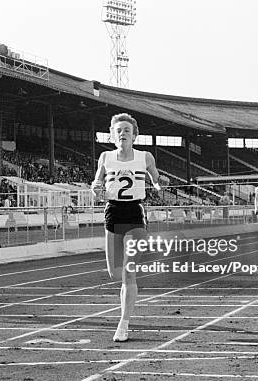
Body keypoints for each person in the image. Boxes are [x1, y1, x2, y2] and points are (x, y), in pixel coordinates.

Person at [91, 113, 164, 342]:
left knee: (128, 272)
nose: (123, 133)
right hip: (113, 212)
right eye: (119, 130)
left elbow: (155, 177)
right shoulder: (105, 157)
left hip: (134, 214)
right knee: (115, 273)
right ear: (113, 135)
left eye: (127, 130)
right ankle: (124, 315)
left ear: (134, 135)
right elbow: (96, 182)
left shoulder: (145, 157)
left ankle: (123, 323)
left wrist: (157, 183)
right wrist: (95, 188)